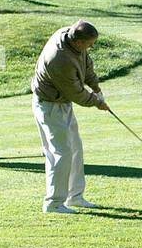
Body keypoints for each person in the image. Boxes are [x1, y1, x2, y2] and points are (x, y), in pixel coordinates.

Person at [31, 20, 109, 214]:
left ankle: (75, 197)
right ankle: (54, 203)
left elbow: (86, 64)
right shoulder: (59, 58)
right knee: (60, 153)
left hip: (62, 103)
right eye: (90, 44)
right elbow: (76, 93)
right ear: (78, 42)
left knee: (75, 149)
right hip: (49, 106)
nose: (91, 47)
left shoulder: (72, 38)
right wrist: (97, 102)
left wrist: (97, 87)